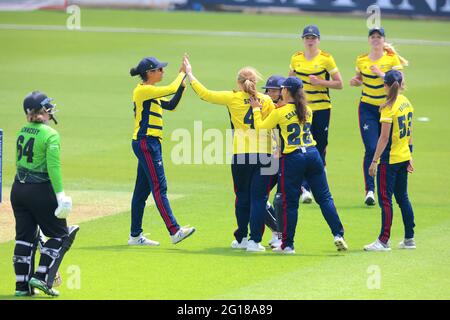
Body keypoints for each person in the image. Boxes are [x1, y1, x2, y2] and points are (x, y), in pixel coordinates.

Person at [183, 56, 276, 252]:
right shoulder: (267, 100)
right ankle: (254, 241)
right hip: (265, 155)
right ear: (256, 82)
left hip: (241, 154)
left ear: (238, 82)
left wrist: (189, 73)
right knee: (259, 198)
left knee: (241, 197)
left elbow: (204, 94)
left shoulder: (232, 98)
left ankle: (241, 237)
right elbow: (274, 125)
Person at [250, 77, 347, 254]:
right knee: (325, 198)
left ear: (286, 91)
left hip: (293, 158)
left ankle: (288, 245)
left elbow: (261, 127)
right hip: (313, 154)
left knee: (290, 203)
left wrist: (256, 110)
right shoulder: (308, 110)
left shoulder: (281, 111)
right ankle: (338, 234)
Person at [11, 91, 78, 297]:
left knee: (24, 238)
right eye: (47, 106)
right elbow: (53, 167)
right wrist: (61, 196)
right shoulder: (50, 134)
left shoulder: (22, 130)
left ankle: (22, 287)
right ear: (42, 110)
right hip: (40, 191)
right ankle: (41, 277)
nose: (50, 109)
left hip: (18, 190)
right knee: (60, 235)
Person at [129, 56, 195, 246]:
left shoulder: (152, 93)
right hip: (146, 143)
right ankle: (174, 231)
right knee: (159, 187)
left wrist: (182, 85)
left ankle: (135, 236)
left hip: (149, 144)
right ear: (149, 73)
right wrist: (183, 73)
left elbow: (171, 104)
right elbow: (170, 89)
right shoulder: (144, 91)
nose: (162, 72)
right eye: (159, 69)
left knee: (142, 192)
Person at [350, 27, 408, 206]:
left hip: (388, 107)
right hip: (367, 107)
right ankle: (370, 190)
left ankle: (386, 188)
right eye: (372, 37)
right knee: (371, 147)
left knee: (388, 147)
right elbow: (360, 77)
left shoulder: (391, 59)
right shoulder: (361, 59)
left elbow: (401, 83)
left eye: (379, 37)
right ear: (369, 40)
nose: (375, 39)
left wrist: (382, 74)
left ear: (384, 40)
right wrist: (356, 81)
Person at [289, 25, 344, 204]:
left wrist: (319, 81)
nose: (310, 40)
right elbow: (289, 82)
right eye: (307, 38)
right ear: (303, 40)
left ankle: (316, 178)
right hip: (302, 109)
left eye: (313, 37)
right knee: (303, 145)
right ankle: (305, 187)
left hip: (321, 109)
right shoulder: (296, 58)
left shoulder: (326, 59)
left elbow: (339, 84)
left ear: (318, 40)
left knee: (319, 146)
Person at [364, 70, 416, 251]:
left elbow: (384, 138)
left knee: (385, 199)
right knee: (403, 197)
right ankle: (409, 238)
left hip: (390, 160)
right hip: (402, 157)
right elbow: (409, 134)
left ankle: (383, 240)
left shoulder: (388, 107)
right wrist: (410, 156)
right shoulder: (406, 103)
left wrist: (374, 161)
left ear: (385, 85)